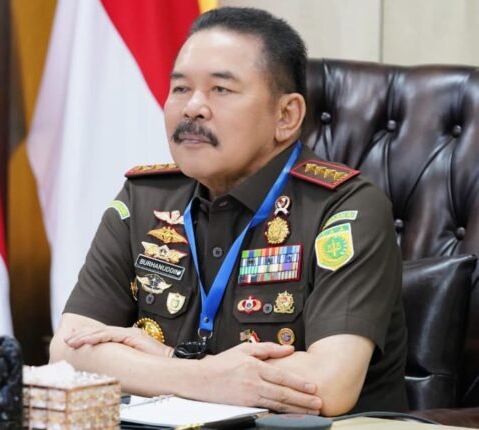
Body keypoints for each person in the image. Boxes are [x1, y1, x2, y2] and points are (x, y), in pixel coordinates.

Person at [49, 7, 407, 416]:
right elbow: (69, 350)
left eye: (221, 89)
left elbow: (329, 384)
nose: (192, 108)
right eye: (180, 88)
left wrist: (162, 363)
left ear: (286, 115)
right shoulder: (144, 198)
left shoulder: (346, 207)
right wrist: (201, 375)